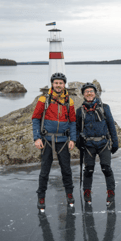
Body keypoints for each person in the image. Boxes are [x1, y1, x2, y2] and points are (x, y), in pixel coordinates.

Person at [32, 72, 77, 211]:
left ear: (64, 85)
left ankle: (69, 195)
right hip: (47, 140)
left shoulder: (69, 101)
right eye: (56, 83)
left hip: (63, 140)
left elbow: (73, 122)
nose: (58, 85)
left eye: (61, 83)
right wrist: (37, 137)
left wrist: (73, 139)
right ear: (52, 84)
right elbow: (35, 118)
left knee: (67, 171)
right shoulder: (43, 99)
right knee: (44, 171)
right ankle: (41, 197)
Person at [76, 82, 118, 207]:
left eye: (91, 91)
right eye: (86, 92)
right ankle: (87, 192)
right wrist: (79, 141)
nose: (89, 93)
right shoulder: (79, 111)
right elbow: (77, 128)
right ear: (83, 94)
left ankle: (111, 192)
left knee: (106, 168)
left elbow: (111, 125)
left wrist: (115, 142)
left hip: (104, 143)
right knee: (88, 170)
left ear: (95, 93)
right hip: (88, 145)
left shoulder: (105, 107)